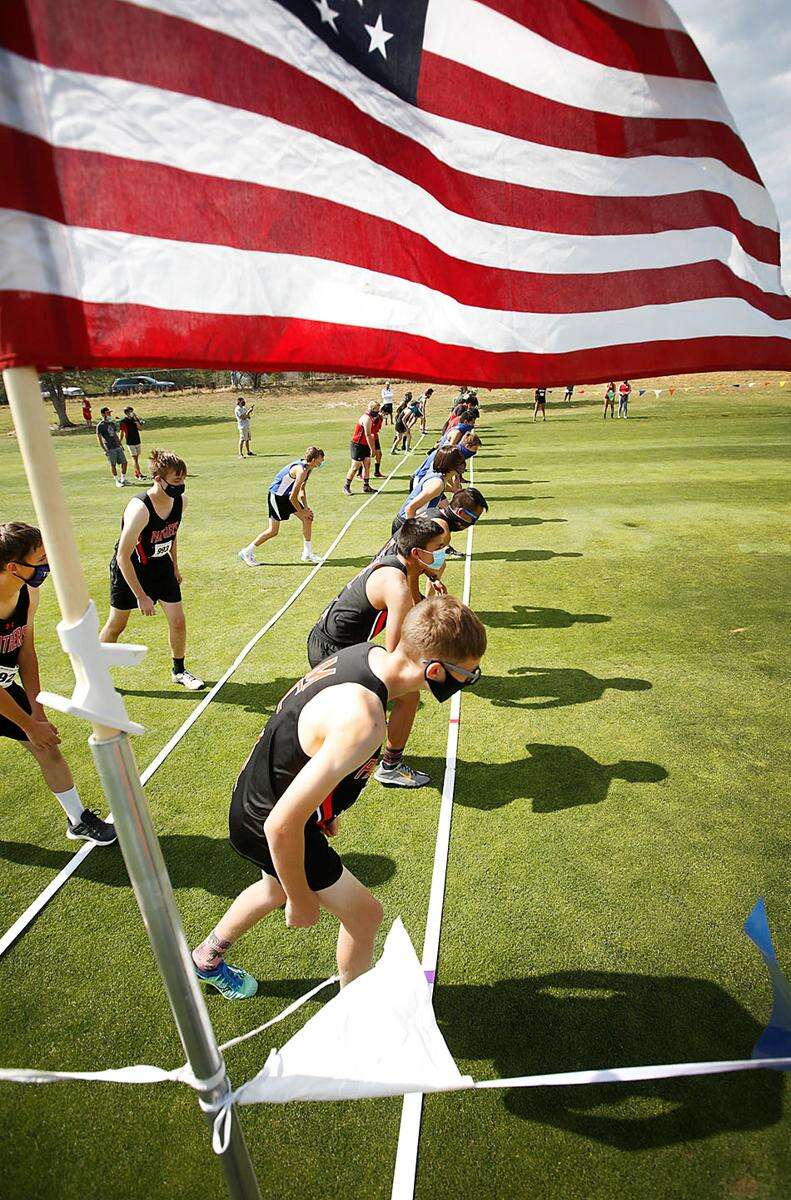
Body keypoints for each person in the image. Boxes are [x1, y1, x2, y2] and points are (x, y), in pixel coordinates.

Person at [190, 595, 487, 998]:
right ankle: (355, 1015)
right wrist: (300, 901)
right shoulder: (364, 720)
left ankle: (206, 958)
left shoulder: (367, 654)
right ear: (435, 671)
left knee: (272, 887)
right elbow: (281, 824)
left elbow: (304, 740)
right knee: (365, 917)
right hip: (269, 822)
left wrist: (324, 808)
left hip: (255, 796)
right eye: (467, 676)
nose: (467, 682)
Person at [308, 518, 450, 788]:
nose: (443, 552)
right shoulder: (396, 587)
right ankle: (390, 767)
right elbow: (395, 652)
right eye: (439, 547)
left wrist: (432, 580)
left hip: (331, 641)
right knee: (407, 697)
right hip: (333, 651)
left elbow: (415, 601)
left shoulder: (398, 562)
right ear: (418, 554)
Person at [0, 523, 116, 844]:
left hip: (5, 689)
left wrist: (37, 714)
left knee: (47, 748)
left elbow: (26, 652)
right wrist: (26, 724)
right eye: (40, 557)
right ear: (13, 567)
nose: (47, 563)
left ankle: (78, 820)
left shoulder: (27, 592)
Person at [100, 448, 205, 691]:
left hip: (160, 566)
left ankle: (179, 671)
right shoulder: (140, 510)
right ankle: (95, 673)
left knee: (178, 621)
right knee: (117, 625)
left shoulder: (180, 502)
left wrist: (175, 567)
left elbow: (171, 533)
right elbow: (122, 556)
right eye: (176, 480)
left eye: (183, 479)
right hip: (131, 568)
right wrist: (141, 596)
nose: (181, 485)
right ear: (158, 479)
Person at [239, 446, 324, 565]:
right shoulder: (301, 471)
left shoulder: (308, 469)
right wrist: (303, 511)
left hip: (287, 496)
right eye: (321, 459)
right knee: (273, 531)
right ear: (314, 460)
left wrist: (305, 508)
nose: (322, 462)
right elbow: (293, 497)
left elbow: (302, 490)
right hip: (277, 497)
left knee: (308, 518)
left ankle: (307, 553)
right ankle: (246, 552)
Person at [391, 447, 465, 537]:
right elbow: (410, 508)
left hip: (406, 522)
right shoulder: (437, 484)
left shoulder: (438, 476)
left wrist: (454, 489)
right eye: (459, 462)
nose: (462, 465)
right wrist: (411, 533)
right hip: (405, 523)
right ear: (451, 464)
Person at [344, 401, 379, 495]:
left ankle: (366, 486)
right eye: (376, 409)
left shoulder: (371, 418)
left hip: (365, 444)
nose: (378, 411)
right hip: (358, 445)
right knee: (355, 467)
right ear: (372, 409)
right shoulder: (367, 418)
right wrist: (373, 449)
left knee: (367, 464)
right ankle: (346, 486)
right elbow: (368, 434)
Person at [96, 406, 128, 487]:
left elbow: (115, 435)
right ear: (103, 414)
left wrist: (120, 445)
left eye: (110, 412)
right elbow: (99, 439)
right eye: (108, 413)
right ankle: (117, 481)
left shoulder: (112, 423)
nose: (110, 414)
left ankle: (123, 479)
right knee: (113, 464)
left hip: (117, 446)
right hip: (109, 447)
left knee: (124, 462)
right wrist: (104, 449)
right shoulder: (100, 425)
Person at [119, 405, 145, 480]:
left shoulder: (134, 419)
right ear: (126, 413)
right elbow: (122, 432)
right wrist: (119, 442)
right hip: (130, 442)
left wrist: (136, 420)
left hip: (137, 440)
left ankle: (137, 473)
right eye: (130, 411)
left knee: (136, 459)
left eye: (132, 411)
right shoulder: (123, 421)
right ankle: (139, 474)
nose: (132, 413)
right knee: (134, 459)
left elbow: (140, 429)